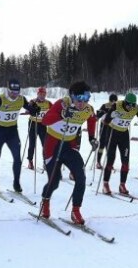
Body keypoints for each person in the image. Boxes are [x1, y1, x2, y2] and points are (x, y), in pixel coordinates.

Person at [38, 80, 98, 224]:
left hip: (69, 146)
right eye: (79, 99)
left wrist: (91, 138)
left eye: (86, 99)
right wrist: (63, 115)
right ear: (72, 96)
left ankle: (76, 210)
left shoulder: (87, 109)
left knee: (81, 176)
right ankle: (45, 201)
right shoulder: (62, 104)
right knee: (54, 181)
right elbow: (45, 121)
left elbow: (91, 119)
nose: (82, 103)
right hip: (52, 146)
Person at [0, 79, 38, 194]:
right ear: (8, 90)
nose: (14, 95)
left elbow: (31, 110)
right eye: (12, 92)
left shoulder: (21, 99)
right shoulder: (0, 99)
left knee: (17, 158)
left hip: (12, 132)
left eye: (17, 92)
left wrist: (35, 109)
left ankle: (16, 182)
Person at [101, 92, 138, 195]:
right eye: (128, 104)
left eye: (133, 105)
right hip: (112, 133)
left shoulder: (136, 108)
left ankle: (122, 185)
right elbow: (105, 121)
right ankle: (105, 184)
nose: (130, 107)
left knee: (125, 161)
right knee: (111, 159)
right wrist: (112, 115)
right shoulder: (116, 105)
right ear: (125, 102)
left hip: (124, 135)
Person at [26, 86, 51, 170]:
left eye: (43, 94)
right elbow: (27, 109)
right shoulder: (32, 101)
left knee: (45, 144)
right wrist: (30, 110)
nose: (42, 96)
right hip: (33, 124)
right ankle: (30, 160)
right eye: (40, 94)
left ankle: (45, 162)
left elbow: (54, 110)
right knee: (32, 143)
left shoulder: (48, 103)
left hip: (43, 125)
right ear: (37, 94)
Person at [95, 93, 118, 169]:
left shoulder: (117, 107)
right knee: (102, 144)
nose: (113, 102)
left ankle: (109, 164)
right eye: (112, 101)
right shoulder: (105, 106)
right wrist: (100, 113)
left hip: (112, 127)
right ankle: (98, 162)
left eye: (115, 101)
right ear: (110, 100)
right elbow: (98, 115)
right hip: (104, 127)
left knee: (110, 146)